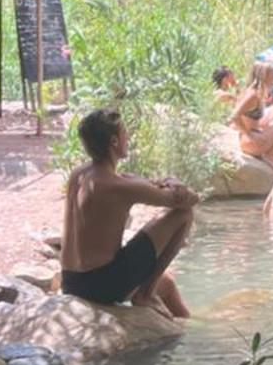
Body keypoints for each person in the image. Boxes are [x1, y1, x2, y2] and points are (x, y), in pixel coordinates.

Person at [59, 107, 197, 317]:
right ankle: (145, 294)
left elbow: (142, 182)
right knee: (184, 216)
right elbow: (189, 201)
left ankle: (188, 329)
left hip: (70, 282)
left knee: (167, 283)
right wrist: (175, 183)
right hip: (101, 285)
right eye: (125, 133)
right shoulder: (118, 186)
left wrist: (166, 182)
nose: (128, 137)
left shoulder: (80, 175)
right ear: (114, 142)